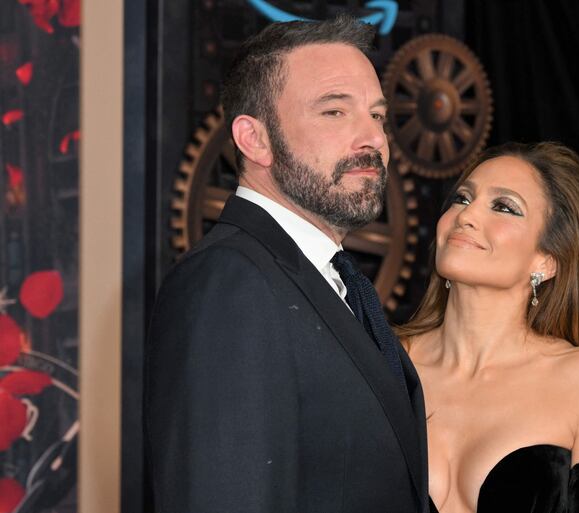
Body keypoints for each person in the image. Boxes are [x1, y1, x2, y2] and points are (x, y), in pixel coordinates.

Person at [144, 16, 428, 513]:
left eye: (378, 116)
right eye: (335, 112)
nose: (373, 139)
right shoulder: (228, 286)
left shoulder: (338, 284)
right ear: (255, 139)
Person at [398, 142, 579, 513]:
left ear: (546, 260)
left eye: (503, 207)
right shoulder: (387, 361)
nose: (467, 215)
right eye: (461, 198)